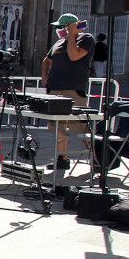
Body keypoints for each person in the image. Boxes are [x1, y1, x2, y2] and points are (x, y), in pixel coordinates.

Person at [41, 13, 95, 170]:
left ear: (72, 26)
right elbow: (46, 61)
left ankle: (97, 158)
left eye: (64, 27)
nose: (61, 30)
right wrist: (45, 76)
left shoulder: (86, 39)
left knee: (82, 127)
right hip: (55, 89)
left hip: (74, 89)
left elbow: (73, 56)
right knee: (59, 126)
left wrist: (72, 35)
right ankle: (62, 158)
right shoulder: (58, 43)